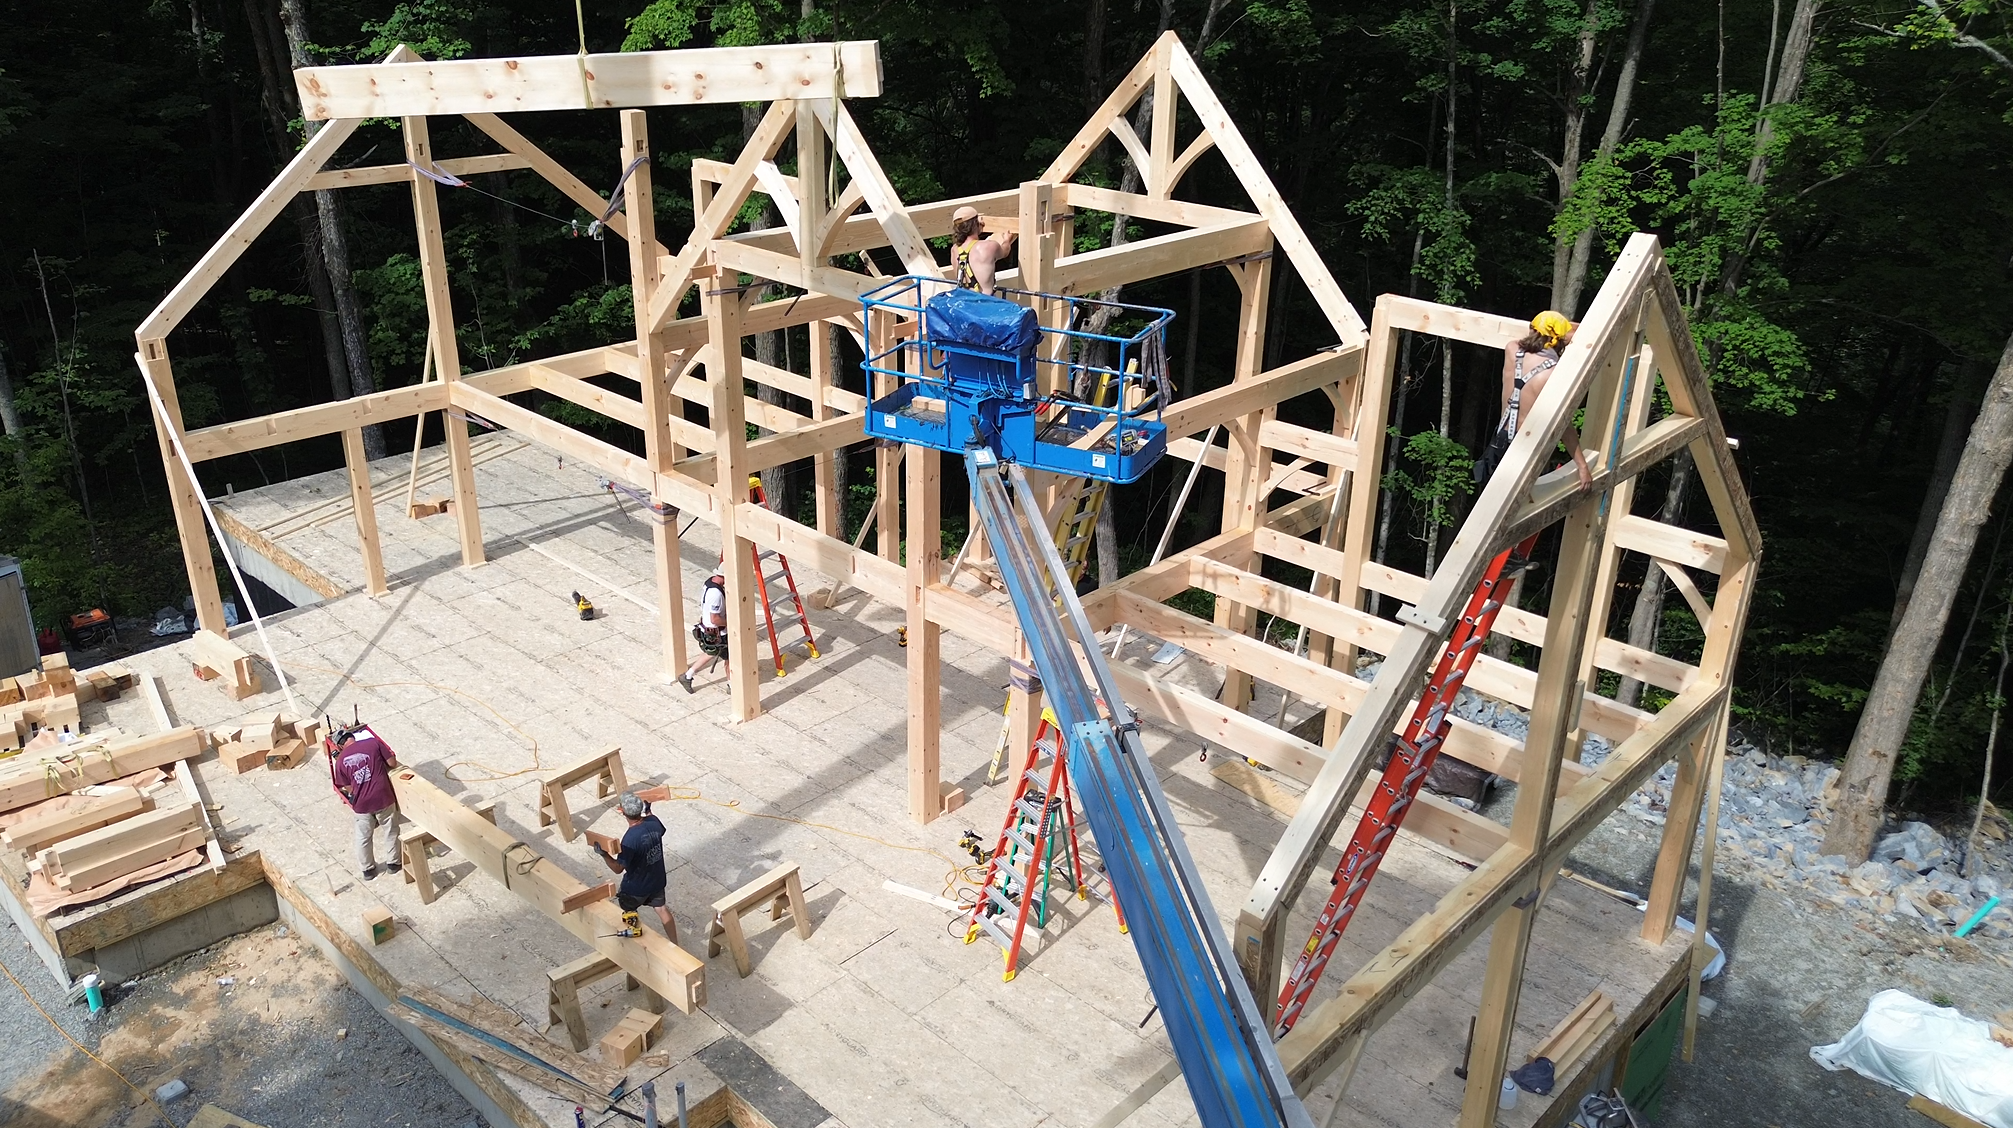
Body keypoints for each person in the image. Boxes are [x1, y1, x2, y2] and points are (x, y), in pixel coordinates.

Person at [1474, 310, 1594, 491]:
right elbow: (1564, 426)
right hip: (1526, 450)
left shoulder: (1512, 350)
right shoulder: (1552, 374)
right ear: (1560, 341)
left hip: (1501, 440)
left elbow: (1531, 336)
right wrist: (1582, 466)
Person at [593, 791, 677, 941]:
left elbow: (618, 868)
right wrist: (649, 811)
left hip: (636, 888)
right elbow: (659, 830)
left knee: (628, 908)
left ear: (622, 811)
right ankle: (675, 944)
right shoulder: (654, 822)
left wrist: (604, 854)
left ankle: (634, 932)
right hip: (657, 880)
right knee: (662, 909)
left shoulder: (630, 839)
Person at [331, 728, 402, 880]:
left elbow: (348, 787)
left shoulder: (340, 761)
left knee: (363, 837)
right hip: (383, 797)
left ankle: (368, 870)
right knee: (390, 830)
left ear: (340, 746)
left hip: (361, 805)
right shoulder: (373, 743)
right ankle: (393, 864)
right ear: (352, 737)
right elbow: (392, 763)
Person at [679, 566, 729, 693]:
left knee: (710, 653)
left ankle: (687, 676)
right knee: (730, 659)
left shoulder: (710, 582)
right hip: (718, 632)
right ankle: (731, 685)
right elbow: (715, 619)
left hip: (708, 630)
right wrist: (731, 623)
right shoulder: (716, 594)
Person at [951, 205, 1015, 295]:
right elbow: (1005, 251)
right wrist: (1007, 240)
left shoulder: (954, 249)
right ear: (974, 224)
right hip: (984, 304)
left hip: (964, 304)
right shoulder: (989, 246)